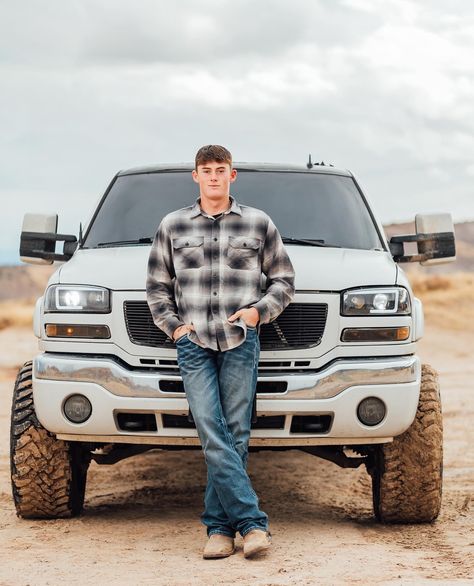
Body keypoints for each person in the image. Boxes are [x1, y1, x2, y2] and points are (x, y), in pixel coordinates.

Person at [146, 145, 295, 559]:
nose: (213, 176)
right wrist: (173, 327)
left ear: (233, 175)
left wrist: (256, 313)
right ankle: (252, 523)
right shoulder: (172, 225)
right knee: (211, 429)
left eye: (221, 170)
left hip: (240, 341)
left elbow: (283, 280)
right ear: (195, 176)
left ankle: (219, 530)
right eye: (206, 170)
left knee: (237, 431)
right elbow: (157, 287)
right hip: (193, 343)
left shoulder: (258, 223)